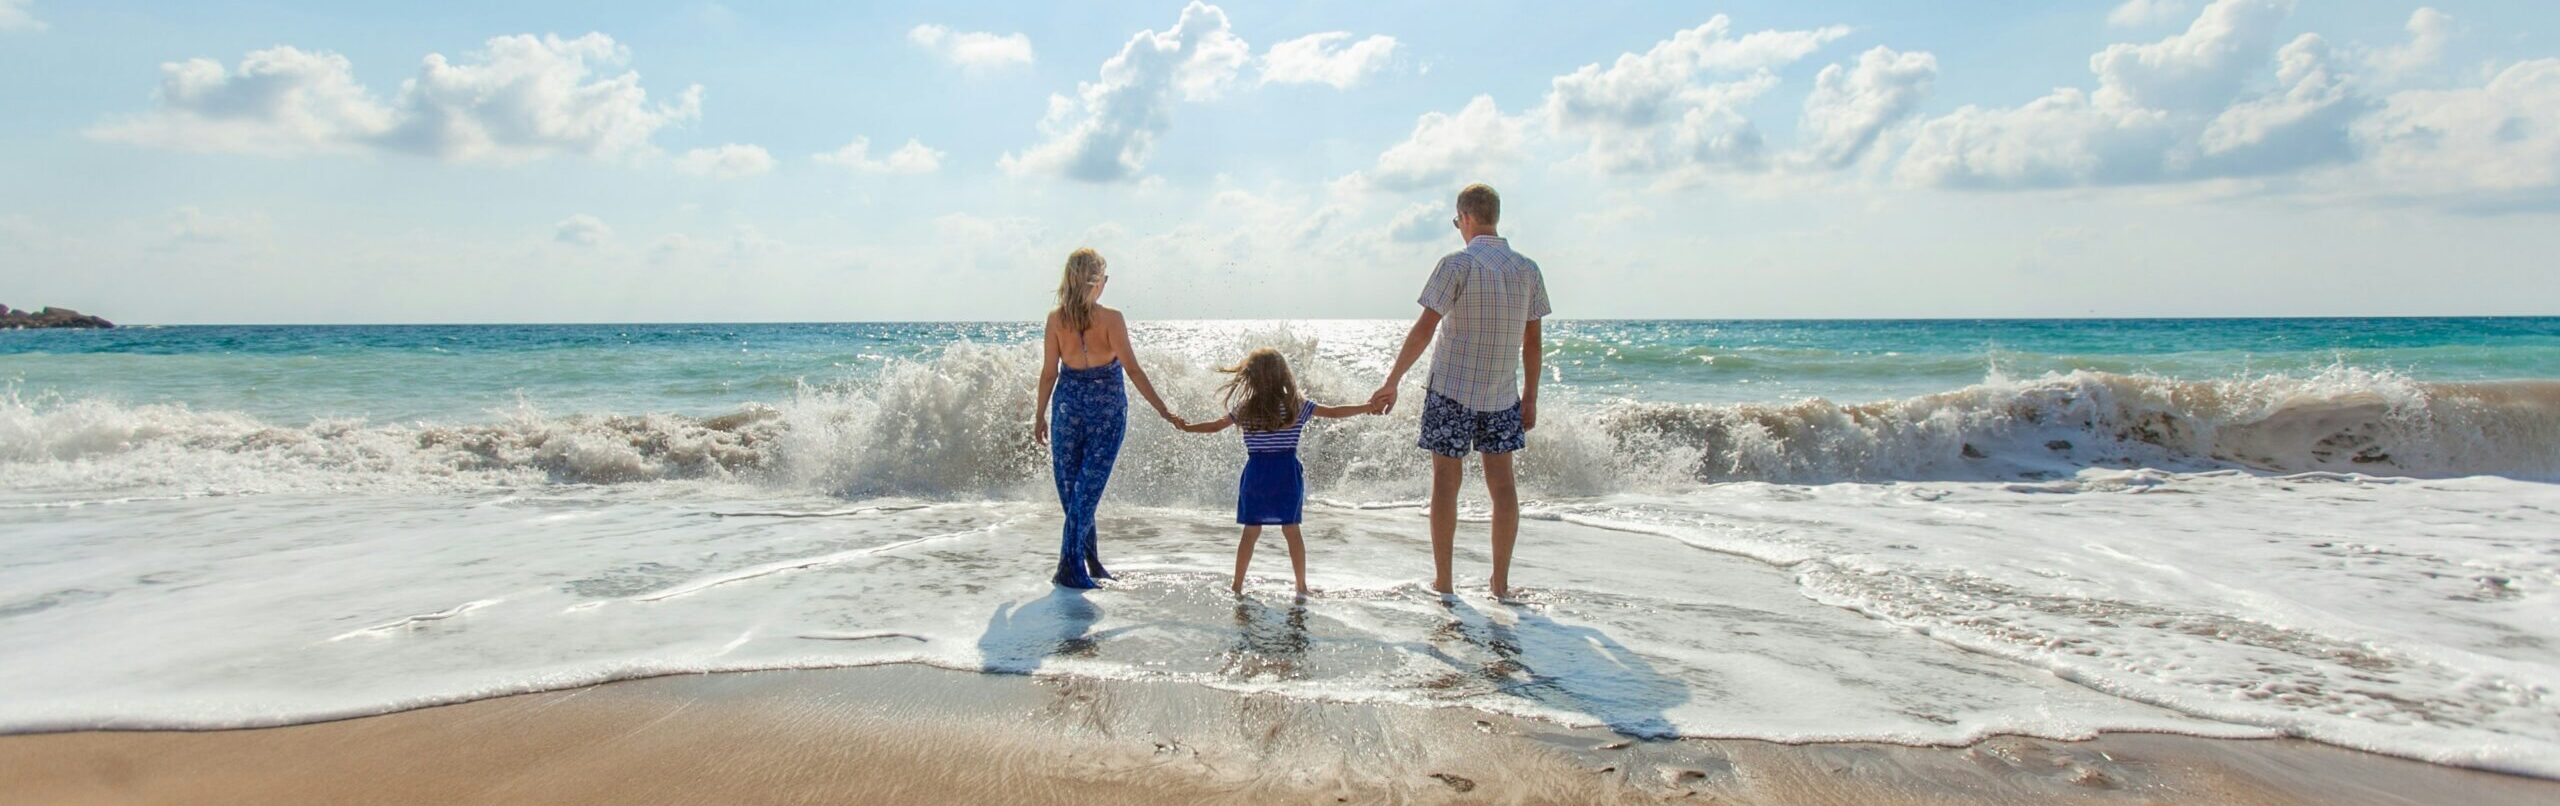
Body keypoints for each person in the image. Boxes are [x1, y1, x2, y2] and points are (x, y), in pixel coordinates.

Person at [1368, 183, 1551, 600]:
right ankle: (1500, 584)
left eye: (1457, 221)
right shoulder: (1527, 269)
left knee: (1446, 485)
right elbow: (1533, 343)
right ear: (1495, 217)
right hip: (1503, 395)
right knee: (1502, 487)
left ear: (1466, 217)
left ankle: (1445, 583)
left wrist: (1392, 380)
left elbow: (1424, 329)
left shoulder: (1456, 265)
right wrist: (1532, 396)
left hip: (1451, 390)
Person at [1176, 348, 1379, 596]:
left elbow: (1216, 426)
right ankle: (1301, 586)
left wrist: (1187, 428)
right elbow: (1334, 412)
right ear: (1283, 375)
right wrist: (1367, 407)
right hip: (1286, 475)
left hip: (1257, 475)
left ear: (1251, 377)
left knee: (1250, 532)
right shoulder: (1296, 406)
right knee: (1291, 530)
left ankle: (1237, 585)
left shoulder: (1245, 408)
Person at [1033, 248, 1180, 589]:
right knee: (1082, 492)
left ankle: (1087, 562)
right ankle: (1072, 566)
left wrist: (1040, 414)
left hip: (1068, 408)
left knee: (1077, 492)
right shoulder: (1111, 319)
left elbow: (1048, 374)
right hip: (1106, 411)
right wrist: (1162, 409)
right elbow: (1132, 368)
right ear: (1097, 282)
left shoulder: (1057, 319)